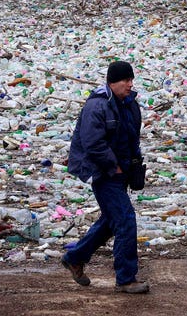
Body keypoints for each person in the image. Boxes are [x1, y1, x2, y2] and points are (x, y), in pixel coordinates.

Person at [61, 60, 149, 294]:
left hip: (120, 172)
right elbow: (93, 144)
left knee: (111, 221)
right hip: (102, 172)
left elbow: (132, 140)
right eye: (125, 80)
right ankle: (126, 278)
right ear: (113, 81)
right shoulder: (97, 106)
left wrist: (134, 167)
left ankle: (75, 258)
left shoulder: (129, 105)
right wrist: (114, 167)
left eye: (131, 80)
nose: (130, 84)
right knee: (125, 220)